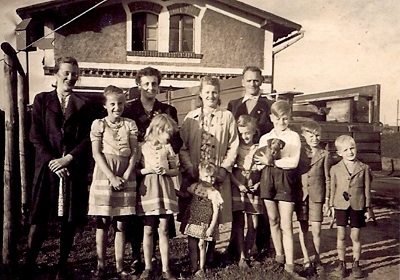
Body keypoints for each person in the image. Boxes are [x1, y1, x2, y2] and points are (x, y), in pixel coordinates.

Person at [25, 56, 93, 279]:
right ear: (56, 74)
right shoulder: (42, 100)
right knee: (39, 218)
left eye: (74, 73)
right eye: (66, 73)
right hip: (47, 168)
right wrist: (53, 162)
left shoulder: (83, 105)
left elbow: (87, 139)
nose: (70, 77)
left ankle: (62, 266)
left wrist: (69, 159)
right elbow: (35, 135)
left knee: (69, 219)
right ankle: (29, 263)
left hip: (72, 169)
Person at [123, 67, 183, 273]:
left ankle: (159, 258)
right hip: (139, 163)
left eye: (154, 83)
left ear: (159, 85)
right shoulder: (130, 109)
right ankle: (136, 255)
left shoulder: (167, 110)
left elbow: (176, 139)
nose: (150, 87)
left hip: (161, 169)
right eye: (146, 83)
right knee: (138, 214)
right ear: (139, 84)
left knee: (161, 220)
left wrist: (167, 153)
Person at [180, 75, 239, 265]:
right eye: (207, 92)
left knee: (214, 215)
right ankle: (194, 260)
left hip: (216, 178)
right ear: (201, 94)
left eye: (214, 92)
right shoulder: (191, 118)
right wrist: (190, 168)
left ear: (219, 94)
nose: (211, 96)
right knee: (195, 216)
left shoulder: (227, 117)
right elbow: (183, 146)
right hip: (196, 176)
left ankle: (210, 257)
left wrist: (224, 168)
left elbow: (233, 145)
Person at [87, 85, 138, 279]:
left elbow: (135, 152)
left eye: (121, 103)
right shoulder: (99, 124)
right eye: (113, 104)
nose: (117, 107)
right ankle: (101, 266)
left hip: (125, 175)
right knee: (103, 221)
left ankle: (119, 266)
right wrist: (111, 177)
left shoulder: (130, 124)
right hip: (105, 174)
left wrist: (125, 175)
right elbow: (96, 153)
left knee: (121, 223)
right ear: (105, 105)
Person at [227, 66, 274, 260]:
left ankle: (262, 249)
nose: (253, 84)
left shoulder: (269, 104)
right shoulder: (234, 104)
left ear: (261, 81)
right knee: (239, 215)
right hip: (239, 161)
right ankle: (236, 250)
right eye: (249, 80)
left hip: (259, 161)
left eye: (256, 80)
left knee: (258, 214)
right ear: (242, 82)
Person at [254, 100, 302, 277]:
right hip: (268, 179)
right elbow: (259, 163)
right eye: (279, 118)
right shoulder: (264, 138)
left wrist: (272, 161)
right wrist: (262, 163)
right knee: (272, 220)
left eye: (286, 118)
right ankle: (279, 258)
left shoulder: (293, 137)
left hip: (285, 180)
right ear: (272, 118)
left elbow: (293, 162)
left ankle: (290, 264)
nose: (283, 122)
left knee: (286, 223)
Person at [136, 114, 180, 280]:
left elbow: (176, 169)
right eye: (167, 133)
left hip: (164, 189)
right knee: (148, 229)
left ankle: (165, 268)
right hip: (148, 190)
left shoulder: (167, 148)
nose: (169, 136)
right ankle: (147, 267)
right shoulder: (142, 147)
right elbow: (136, 171)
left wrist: (167, 171)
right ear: (158, 130)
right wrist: (147, 170)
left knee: (164, 228)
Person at [328, 135, 372, 279]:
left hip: (357, 205)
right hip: (340, 204)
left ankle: (356, 263)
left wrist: (368, 208)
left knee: (355, 235)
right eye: (345, 150)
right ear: (340, 153)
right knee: (341, 235)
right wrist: (331, 205)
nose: (350, 152)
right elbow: (332, 188)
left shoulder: (364, 168)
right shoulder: (335, 168)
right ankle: (341, 263)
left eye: (352, 148)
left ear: (356, 148)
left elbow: (366, 189)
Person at [295, 120, 331, 277]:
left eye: (317, 135)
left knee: (316, 230)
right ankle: (305, 258)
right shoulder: (299, 151)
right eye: (310, 135)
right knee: (303, 229)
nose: (314, 138)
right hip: (301, 196)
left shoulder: (325, 154)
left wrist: (328, 199)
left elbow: (328, 178)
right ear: (304, 135)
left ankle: (317, 259)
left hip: (317, 196)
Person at [230, 115, 265, 268]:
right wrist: (238, 184)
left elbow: (264, 170)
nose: (244, 137)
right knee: (239, 222)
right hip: (238, 184)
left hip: (254, 185)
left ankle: (250, 251)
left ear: (254, 132)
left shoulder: (259, 148)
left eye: (247, 133)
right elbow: (229, 170)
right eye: (241, 133)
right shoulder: (235, 148)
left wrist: (258, 184)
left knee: (254, 224)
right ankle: (241, 256)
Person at [181, 161, 223, 277]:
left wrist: (211, 227)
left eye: (212, 177)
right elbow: (185, 195)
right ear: (200, 176)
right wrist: (175, 192)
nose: (209, 179)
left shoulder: (214, 193)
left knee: (201, 244)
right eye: (206, 176)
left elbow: (215, 212)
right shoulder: (195, 187)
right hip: (194, 221)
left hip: (205, 223)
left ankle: (201, 268)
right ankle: (194, 266)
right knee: (192, 245)